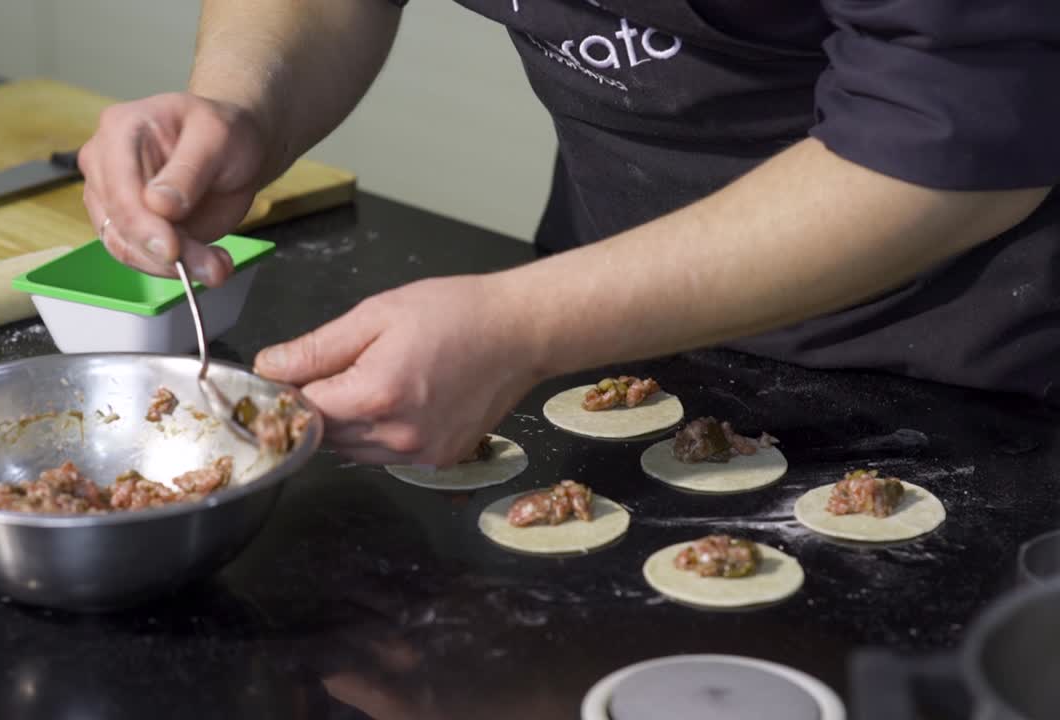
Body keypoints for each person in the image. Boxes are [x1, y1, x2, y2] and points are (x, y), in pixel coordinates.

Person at [78, 1, 1060, 467]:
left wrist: (527, 322)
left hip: (979, 366)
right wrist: (243, 104)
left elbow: (953, 139)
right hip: (619, 319)